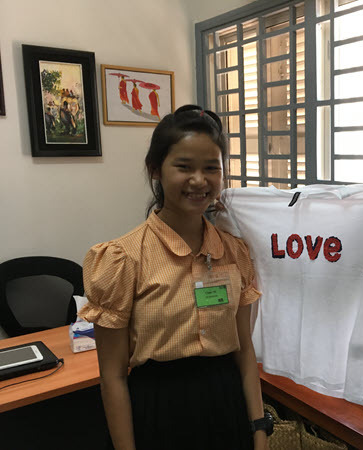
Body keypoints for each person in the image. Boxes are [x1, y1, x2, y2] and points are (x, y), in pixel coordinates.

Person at [79, 105, 270, 450]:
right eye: (184, 167)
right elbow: (113, 376)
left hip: (226, 406)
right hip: (157, 411)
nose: (199, 180)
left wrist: (259, 429)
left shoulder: (235, 252)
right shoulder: (123, 258)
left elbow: (244, 352)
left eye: (212, 168)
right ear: (156, 170)